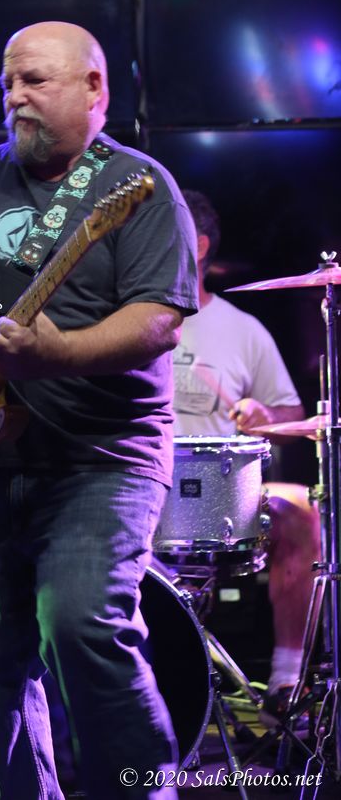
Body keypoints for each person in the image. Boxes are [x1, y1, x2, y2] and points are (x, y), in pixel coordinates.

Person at [0, 21, 198, 799]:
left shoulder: (138, 188)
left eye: (34, 81)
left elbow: (158, 320)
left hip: (102, 456)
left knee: (82, 626)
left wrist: (60, 353)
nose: (14, 97)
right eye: (7, 84)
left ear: (94, 90)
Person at [172, 189, 320, 724]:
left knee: (301, 510)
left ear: (199, 246)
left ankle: (285, 680)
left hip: (221, 495)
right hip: (138, 483)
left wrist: (263, 415)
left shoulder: (242, 330)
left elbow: (292, 415)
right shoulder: (127, 318)